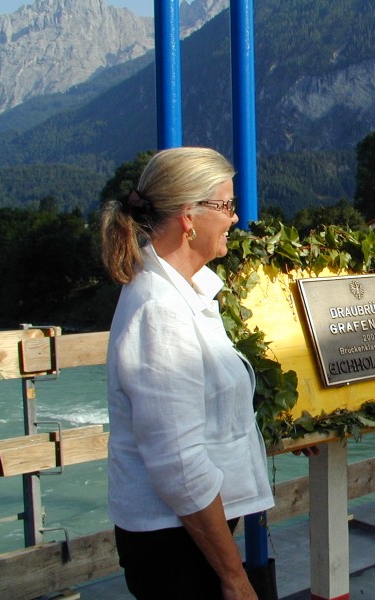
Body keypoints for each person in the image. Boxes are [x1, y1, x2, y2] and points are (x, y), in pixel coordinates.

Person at [100, 147, 274, 600]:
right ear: (187, 217)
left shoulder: (184, 293)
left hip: (187, 537)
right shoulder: (161, 310)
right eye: (226, 205)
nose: (235, 218)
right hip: (175, 549)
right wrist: (235, 577)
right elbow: (178, 465)